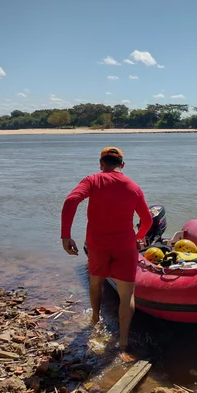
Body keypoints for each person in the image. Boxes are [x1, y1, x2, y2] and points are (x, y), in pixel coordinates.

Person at [60, 146, 153, 354]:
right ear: (123, 164)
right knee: (127, 296)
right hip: (125, 246)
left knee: (96, 283)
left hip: (98, 244)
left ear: (101, 164)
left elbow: (71, 200)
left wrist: (66, 235)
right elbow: (147, 220)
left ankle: (94, 319)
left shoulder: (92, 180)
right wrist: (138, 237)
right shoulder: (134, 187)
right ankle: (123, 343)